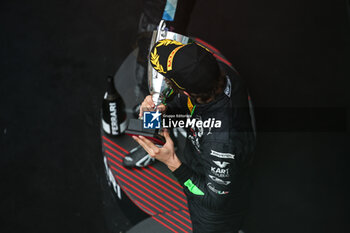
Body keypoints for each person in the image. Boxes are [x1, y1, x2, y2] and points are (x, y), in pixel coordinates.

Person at [133, 39, 256, 233]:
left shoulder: (220, 141)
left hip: (216, 211)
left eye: (167, 78)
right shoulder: (214, 71)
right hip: (207, 157)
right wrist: (160, 106)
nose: (165, 81)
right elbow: (188, 106)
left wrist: (171, 161)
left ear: (187, 91)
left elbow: (214, 200)